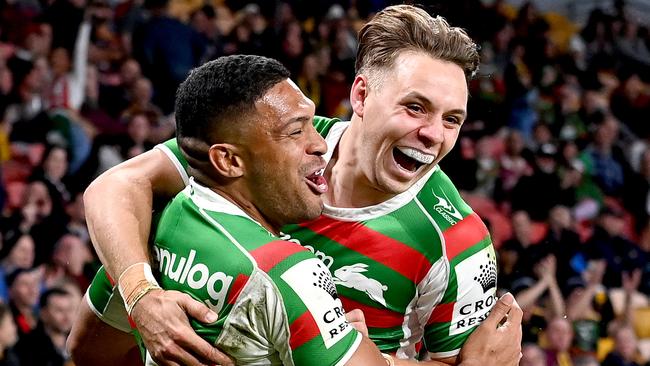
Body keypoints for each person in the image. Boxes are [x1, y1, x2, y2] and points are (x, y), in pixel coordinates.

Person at [71, 5, 523, 366]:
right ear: (361, 95)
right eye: (416, 107)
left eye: (452, 119)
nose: (433, 134)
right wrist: (142, 297)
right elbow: (117, 186)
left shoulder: (458, 242)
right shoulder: (276, 147)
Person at [75, 54, 393, 365]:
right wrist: (361, 347)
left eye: (311, 122)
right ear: (229, 161)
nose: (320, 143)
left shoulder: (151, 232)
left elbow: (86, 351)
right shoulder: (289, 273)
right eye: (296, 131)